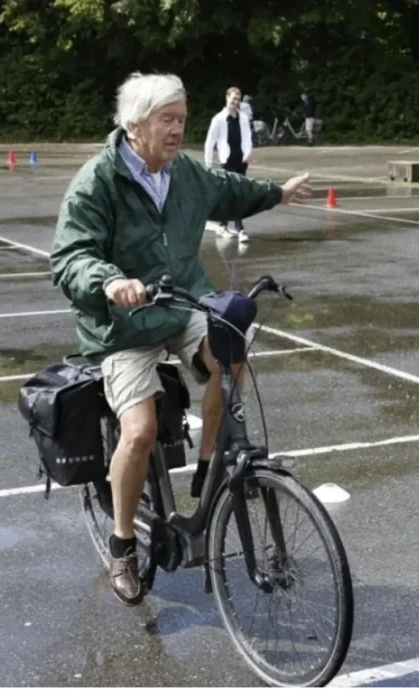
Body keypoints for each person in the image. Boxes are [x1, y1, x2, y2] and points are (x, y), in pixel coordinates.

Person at [50, 72, 312, 606]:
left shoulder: (185, 173)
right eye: (166, 120)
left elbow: (229, 188)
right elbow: (70, 257)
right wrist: (109, 281)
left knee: (232, 352)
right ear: (134, 125)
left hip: (182, 300)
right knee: (141, 430)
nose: (176, 130)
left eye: (181, 120)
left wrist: (278, 193)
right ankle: (123, 544)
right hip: (122, 323)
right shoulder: (97, 180)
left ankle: (210, 464)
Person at [204, 86, 254, 242]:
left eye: (238, 99)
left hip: (241, 161)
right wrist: (208, 164)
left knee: (236, 195)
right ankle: (240, 229)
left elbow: (247, 138)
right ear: (227, 98)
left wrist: (247, 154)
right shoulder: (218, 119)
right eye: (233, 98)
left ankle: (222, 225)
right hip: (227, 162)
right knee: (234, 194)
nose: (235, 101)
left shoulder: (243, 118)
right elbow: (210, 142)